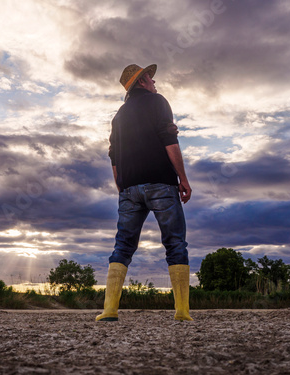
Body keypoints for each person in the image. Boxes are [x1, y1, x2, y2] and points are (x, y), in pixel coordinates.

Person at [96, 63, 193, 322]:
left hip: (129, 188)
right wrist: (182, 178)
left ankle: (109, 310)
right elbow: (169, 139)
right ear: (141, 82)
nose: (154, 82)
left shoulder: (118, 116)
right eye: (150, 78)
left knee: (123, 246)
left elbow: (113, 156)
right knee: (175, 243)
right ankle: (182, 312)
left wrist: (121, 185)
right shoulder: (157, 102)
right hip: (161, 183)